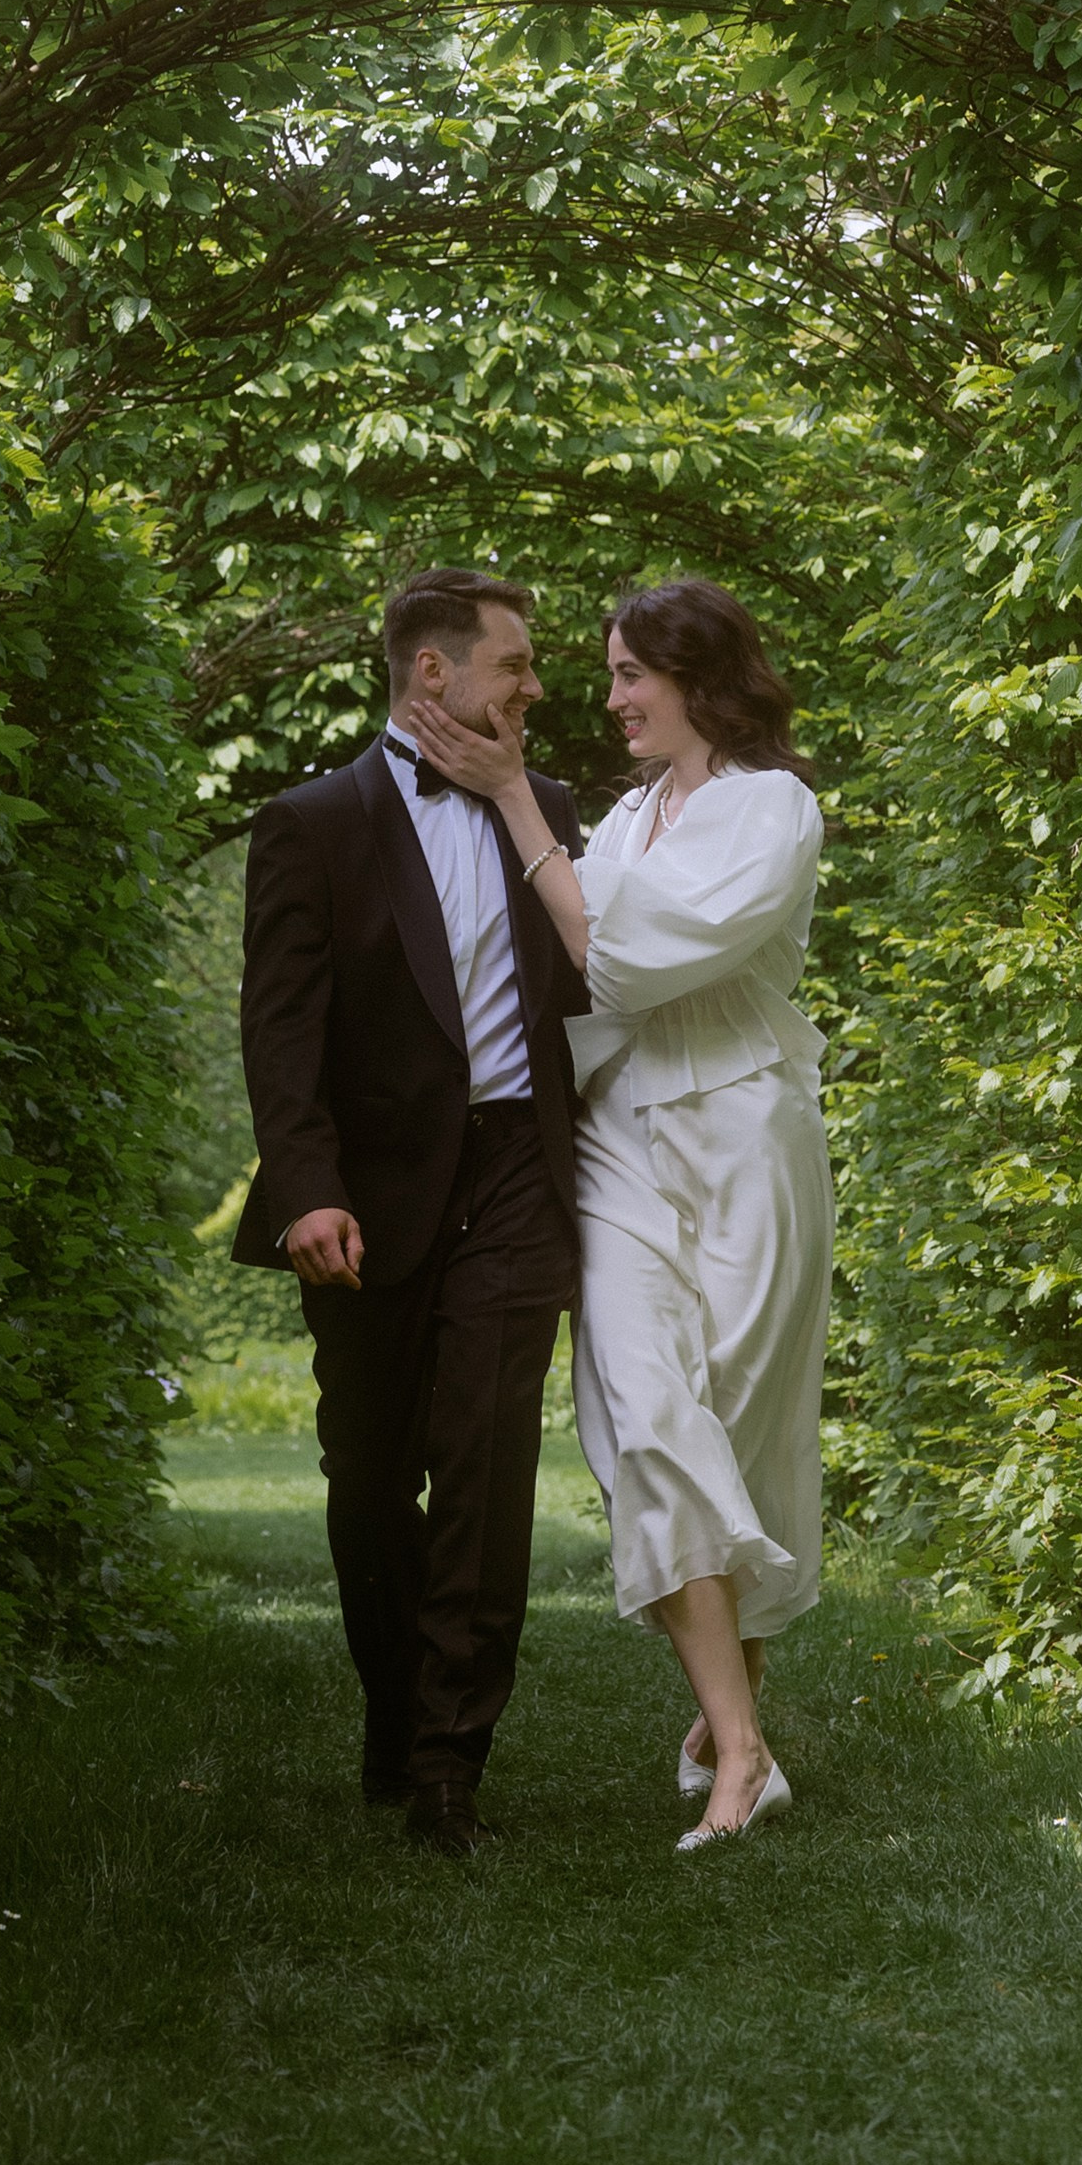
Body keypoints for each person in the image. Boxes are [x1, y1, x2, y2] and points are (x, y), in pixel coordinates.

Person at [400, 578, 829, 1851]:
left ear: (698, 676)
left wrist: (516, 804)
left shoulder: (774, 807)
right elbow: (575, 954)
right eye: (605, 675)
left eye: (631, 674)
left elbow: (626, 959)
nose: (611, 700)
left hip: (748, 1132)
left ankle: (727, 1707)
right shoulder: (627, 820)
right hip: (618, 1141)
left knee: (740, 1433)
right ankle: (740, 1747)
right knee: (645, 1417)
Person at [233, 571, 588, 1858]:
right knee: (370, 1480)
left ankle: (450, 1766)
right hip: (366, 1200)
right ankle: (393, 1714)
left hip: (512, 1180)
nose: (535, 689)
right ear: (432, 675)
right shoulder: (310, 824)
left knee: (487, 1472)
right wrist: (306, 1188)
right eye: (515, 665)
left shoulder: (545, 810)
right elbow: (278, 1032)